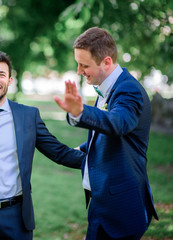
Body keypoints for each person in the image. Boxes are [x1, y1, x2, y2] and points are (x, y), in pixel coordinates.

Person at [0, 51, 85, 240]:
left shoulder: (27, 116)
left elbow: (59, 153)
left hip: (14, 215)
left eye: (1, 74)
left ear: (10, 80)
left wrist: (97, 158)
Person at [54, 27, 159, 239]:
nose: (78, 70)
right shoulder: (105, 88)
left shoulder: (129, 90)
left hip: (121, 210)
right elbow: (105, 137)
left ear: (107, 62)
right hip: (101, 204)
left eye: (84, 65)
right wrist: (80, 150)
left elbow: (118, 123)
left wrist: (81, 111)